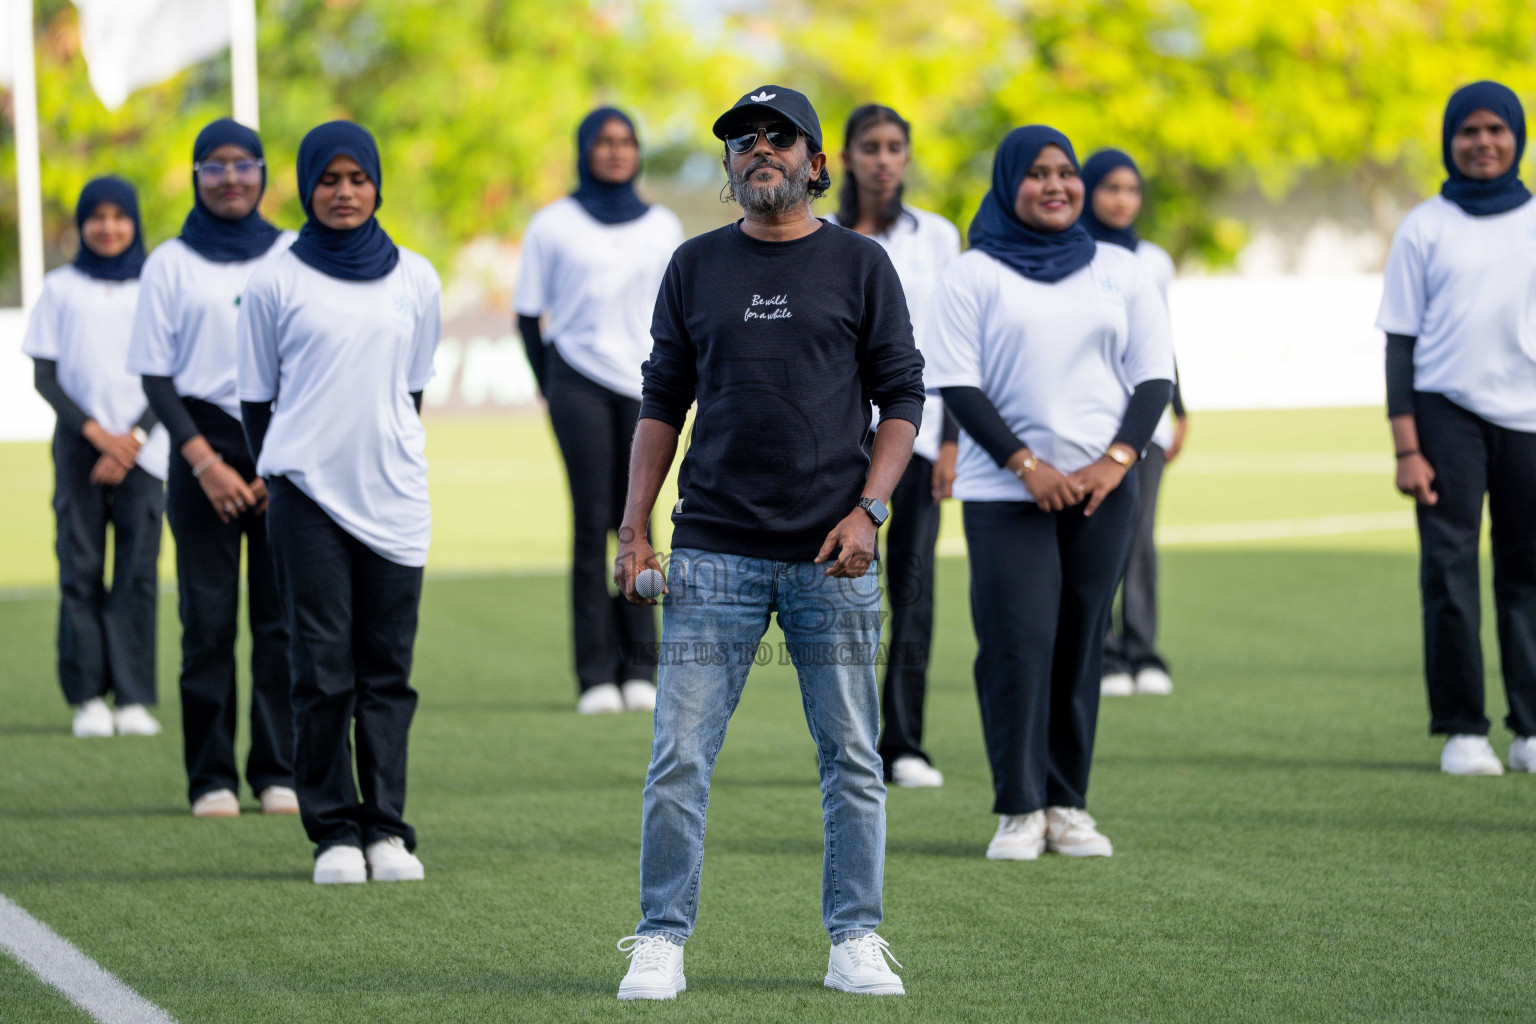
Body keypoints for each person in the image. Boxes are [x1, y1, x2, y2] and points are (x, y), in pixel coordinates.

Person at [610, 85, 925, 1000]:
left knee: (852, 757)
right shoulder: (693, 265)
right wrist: (634, 531)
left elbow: (902, 399)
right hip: (711, 550)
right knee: (679, 755)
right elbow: (661, 400)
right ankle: (661, 936)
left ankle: (855, 939)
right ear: (730, 167)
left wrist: (869, 510)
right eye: (743, 141)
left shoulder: (863, 266)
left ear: (816, 163)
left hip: (832, 554)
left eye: (778, 138)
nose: (759, 150)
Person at [924, 126, 1174, 861]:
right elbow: (958, 383)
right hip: (1006, 493)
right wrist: (1026, 465)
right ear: (1009, 184)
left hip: (1102, 491)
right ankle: (1018, 807)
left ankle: (1068, 803)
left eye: (1066, 172)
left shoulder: (1122, 271)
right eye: (1037, 174)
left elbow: (1153, 375)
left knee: (1080, 645)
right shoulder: (972, 274)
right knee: (1016, 645)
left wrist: (1115, 461)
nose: (1057, 185)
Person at [237, 121, 441, 883]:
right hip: (305, 496)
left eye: (358, 179)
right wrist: (294, 464)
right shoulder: (273, 279)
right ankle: (332, 832)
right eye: (330, 179)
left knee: (387, 670)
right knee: (321, 670)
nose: (345, 192)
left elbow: (411, 389)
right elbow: (257, 399)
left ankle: (386, 828)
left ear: (377, 184)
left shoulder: (417, 278)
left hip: (394, 496)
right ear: (306, 186)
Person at [129, 118, 299, 818]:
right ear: (197, 175)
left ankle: (277, 771)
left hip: (280, 452)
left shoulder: (295, 252)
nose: (231, 178)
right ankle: (210, 778)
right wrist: (203, 463)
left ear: (263, 172)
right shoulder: (170, 261)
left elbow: (306, 362)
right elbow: (155, 375)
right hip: (200, 454)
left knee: (281, 623)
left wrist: (273, 462)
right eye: (215, 165)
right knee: (206, 623)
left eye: (244, 164)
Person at [1375, 80, 1536, 776]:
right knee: (1448, 571)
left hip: (1530, 416)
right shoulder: (1424, 226)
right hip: (1445, 414)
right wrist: (1407, 446)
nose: (1482, 143)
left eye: (1495, 130)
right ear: (1449, 141)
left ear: (1517, 138)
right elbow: (1400, 342)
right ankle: (1462, 728)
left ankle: (1530, 729)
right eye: (1468, 131)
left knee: (1528, 575)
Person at [515, 107, 683, 716]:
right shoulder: (553, 224)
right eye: (604, 142)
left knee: (640, 519)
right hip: (577, 382)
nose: (616, 152)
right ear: (584, 149)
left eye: (626, 141)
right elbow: (527, 314)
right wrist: (552, 383)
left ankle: (641, 668)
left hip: (647, 386)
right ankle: (595, 675)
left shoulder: (662, 224)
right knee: (592, 524)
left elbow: (677, 310)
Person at [828, 104, 961, 787]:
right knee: (843, 596)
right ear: (845, 157)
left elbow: (958, 345)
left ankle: (904, 743)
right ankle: (848, 741)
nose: (884, 158)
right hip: (842, 446)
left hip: (922, 434)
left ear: (907, 158)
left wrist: (952, 442)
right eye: (870, 147)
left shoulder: (939, 237)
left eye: (895, 147)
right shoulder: (822, 236)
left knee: (913, 591)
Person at [24, 177, 168, 739]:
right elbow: (45, 376)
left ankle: (132, 697)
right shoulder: (61, 289)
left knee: (135, 574)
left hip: (146, 454)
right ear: (82, 225)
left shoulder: (155, 289)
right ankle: (88, 697)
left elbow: (170, 373)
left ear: (134, 222)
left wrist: (131, 439)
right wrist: (98, 436)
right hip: (78, 451)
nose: (109, 228)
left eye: (120, 217)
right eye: (97, 217)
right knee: (80, 570)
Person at [1078, 148, 1188, 699]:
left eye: (1131, 190)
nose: (1122, 200)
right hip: (1094, 422)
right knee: (1100, 536)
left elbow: (1161, 344)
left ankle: (1143, 648)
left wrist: (1181, 408)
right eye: (1110, 188)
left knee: (1141, 536)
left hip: (1148, 422)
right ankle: (1103, 652)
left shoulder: (1155, 260)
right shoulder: (1071, 254)